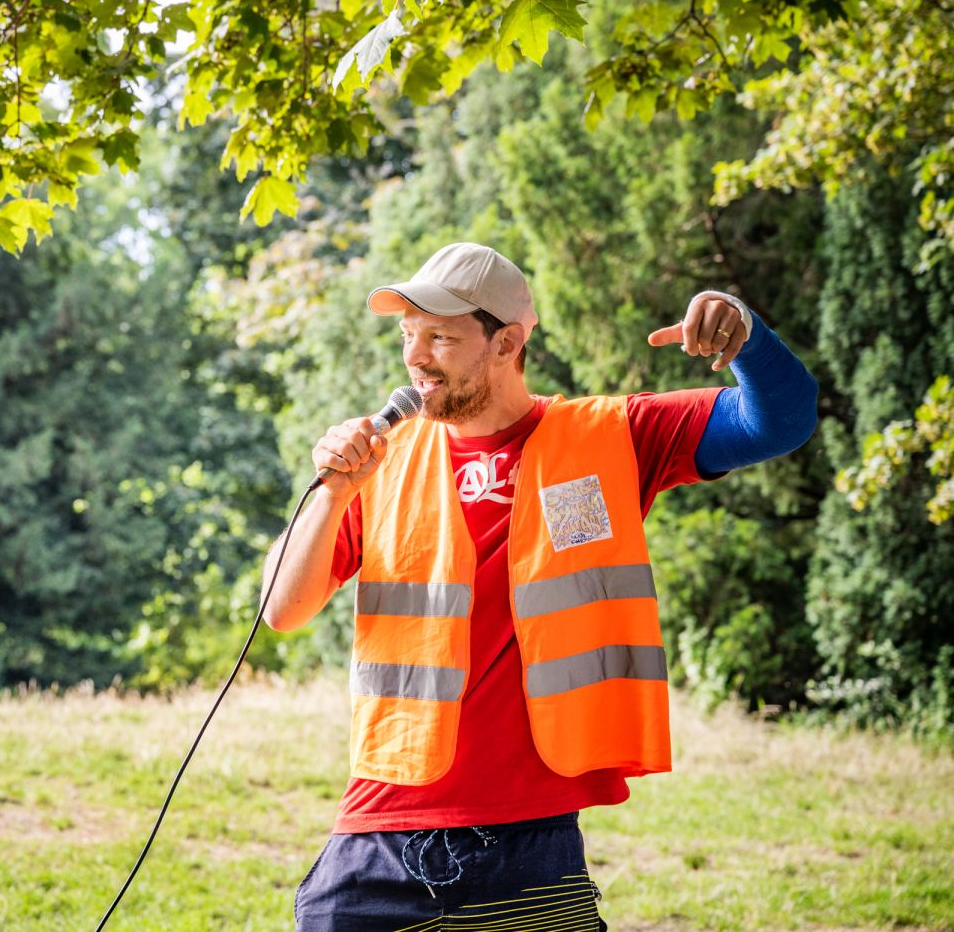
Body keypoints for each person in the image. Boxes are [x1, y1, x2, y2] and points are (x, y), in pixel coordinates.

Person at [262, 243, 819, 932]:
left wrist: (744, 334)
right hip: (380, 840)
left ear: (508, 341)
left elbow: (782, 420)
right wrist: (331, 494)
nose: (416, 356)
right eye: (409, 335)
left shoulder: (614, 434)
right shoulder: (378, 465)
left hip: (531, 848)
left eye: (440, 335)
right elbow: (281, 609)